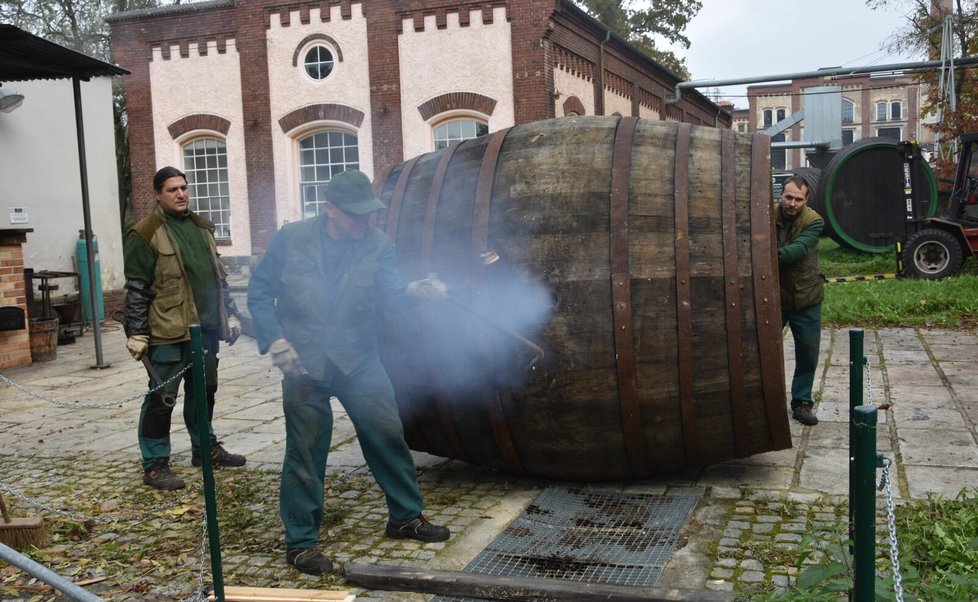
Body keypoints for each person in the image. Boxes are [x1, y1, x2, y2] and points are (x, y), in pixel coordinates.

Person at [247, 169, 451, 576]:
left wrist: (414, 292)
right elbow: (258, 293)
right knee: (305, 451)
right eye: (356, 215)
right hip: (303, 363)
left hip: (358, 359)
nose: (365, 222)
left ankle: (405, 517)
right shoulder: (291, 239)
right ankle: (301, 543)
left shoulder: (380, 245)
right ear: (330, 210)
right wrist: (275, 341)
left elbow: (390, 295)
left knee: (388, 433)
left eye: (369, 214)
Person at [123, 166, 246, 491]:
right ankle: (154, 464)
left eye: (183, 187)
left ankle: (205, 450)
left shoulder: (201, 227)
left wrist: (231, 314)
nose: (180, 194)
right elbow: (136, 288)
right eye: (172, 189)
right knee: (162, 399)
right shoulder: (145, 233)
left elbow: (219, 277)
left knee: (204, 393)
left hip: (205, 329)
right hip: (167, 330)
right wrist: (136, 333)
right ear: (158, 194)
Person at [775, 175, 824, 426]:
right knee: (765, 352)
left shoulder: (814, 221)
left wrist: (763, 255)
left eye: (798, 199)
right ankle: (766, 400)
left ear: (806, 200)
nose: (792, 203)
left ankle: (802, 402)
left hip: (806, 298)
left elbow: (799, 249)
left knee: (807, 353)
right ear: (780, 195)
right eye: (788, 197)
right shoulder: (766, 216)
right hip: (774, 299)